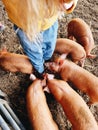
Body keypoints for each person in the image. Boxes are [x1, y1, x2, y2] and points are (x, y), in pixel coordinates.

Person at [2, 0, 78, 75]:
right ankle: (40, 71)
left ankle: (47, 58)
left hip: (49, 22)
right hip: (26, 26)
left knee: (50, 45)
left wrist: (69, 3)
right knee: (35, 52)